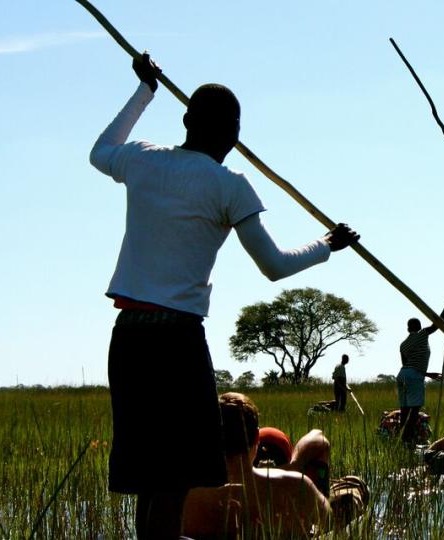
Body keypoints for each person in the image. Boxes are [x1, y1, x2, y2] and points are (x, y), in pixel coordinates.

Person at [89, 53, 360, 539]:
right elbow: (275, 266)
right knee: (174, 480)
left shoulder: (142, 159)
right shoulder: (231, 184)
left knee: (150, 480)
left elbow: (100, 150)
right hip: (176, 339)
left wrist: (144, 90)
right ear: (234, 136)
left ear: (187, 120)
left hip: (128, 337)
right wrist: (327, 245)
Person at [183, 393, 369, 539]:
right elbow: (329, 522)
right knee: (353, 485)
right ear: (257, 437)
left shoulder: (182, 496)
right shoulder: (295, 487)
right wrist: (295, 467)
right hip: (299, 496)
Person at [396, 294, 444, 444]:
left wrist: (429, 374)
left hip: (402, 375)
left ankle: (402, 439)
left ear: (408, 328)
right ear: (419, 327)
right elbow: (438, 323)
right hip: (414, 376)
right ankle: (407, 440)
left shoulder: (403, 345)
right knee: (414, 410)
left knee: (404, 411)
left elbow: (407, 365)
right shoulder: (422, 335)